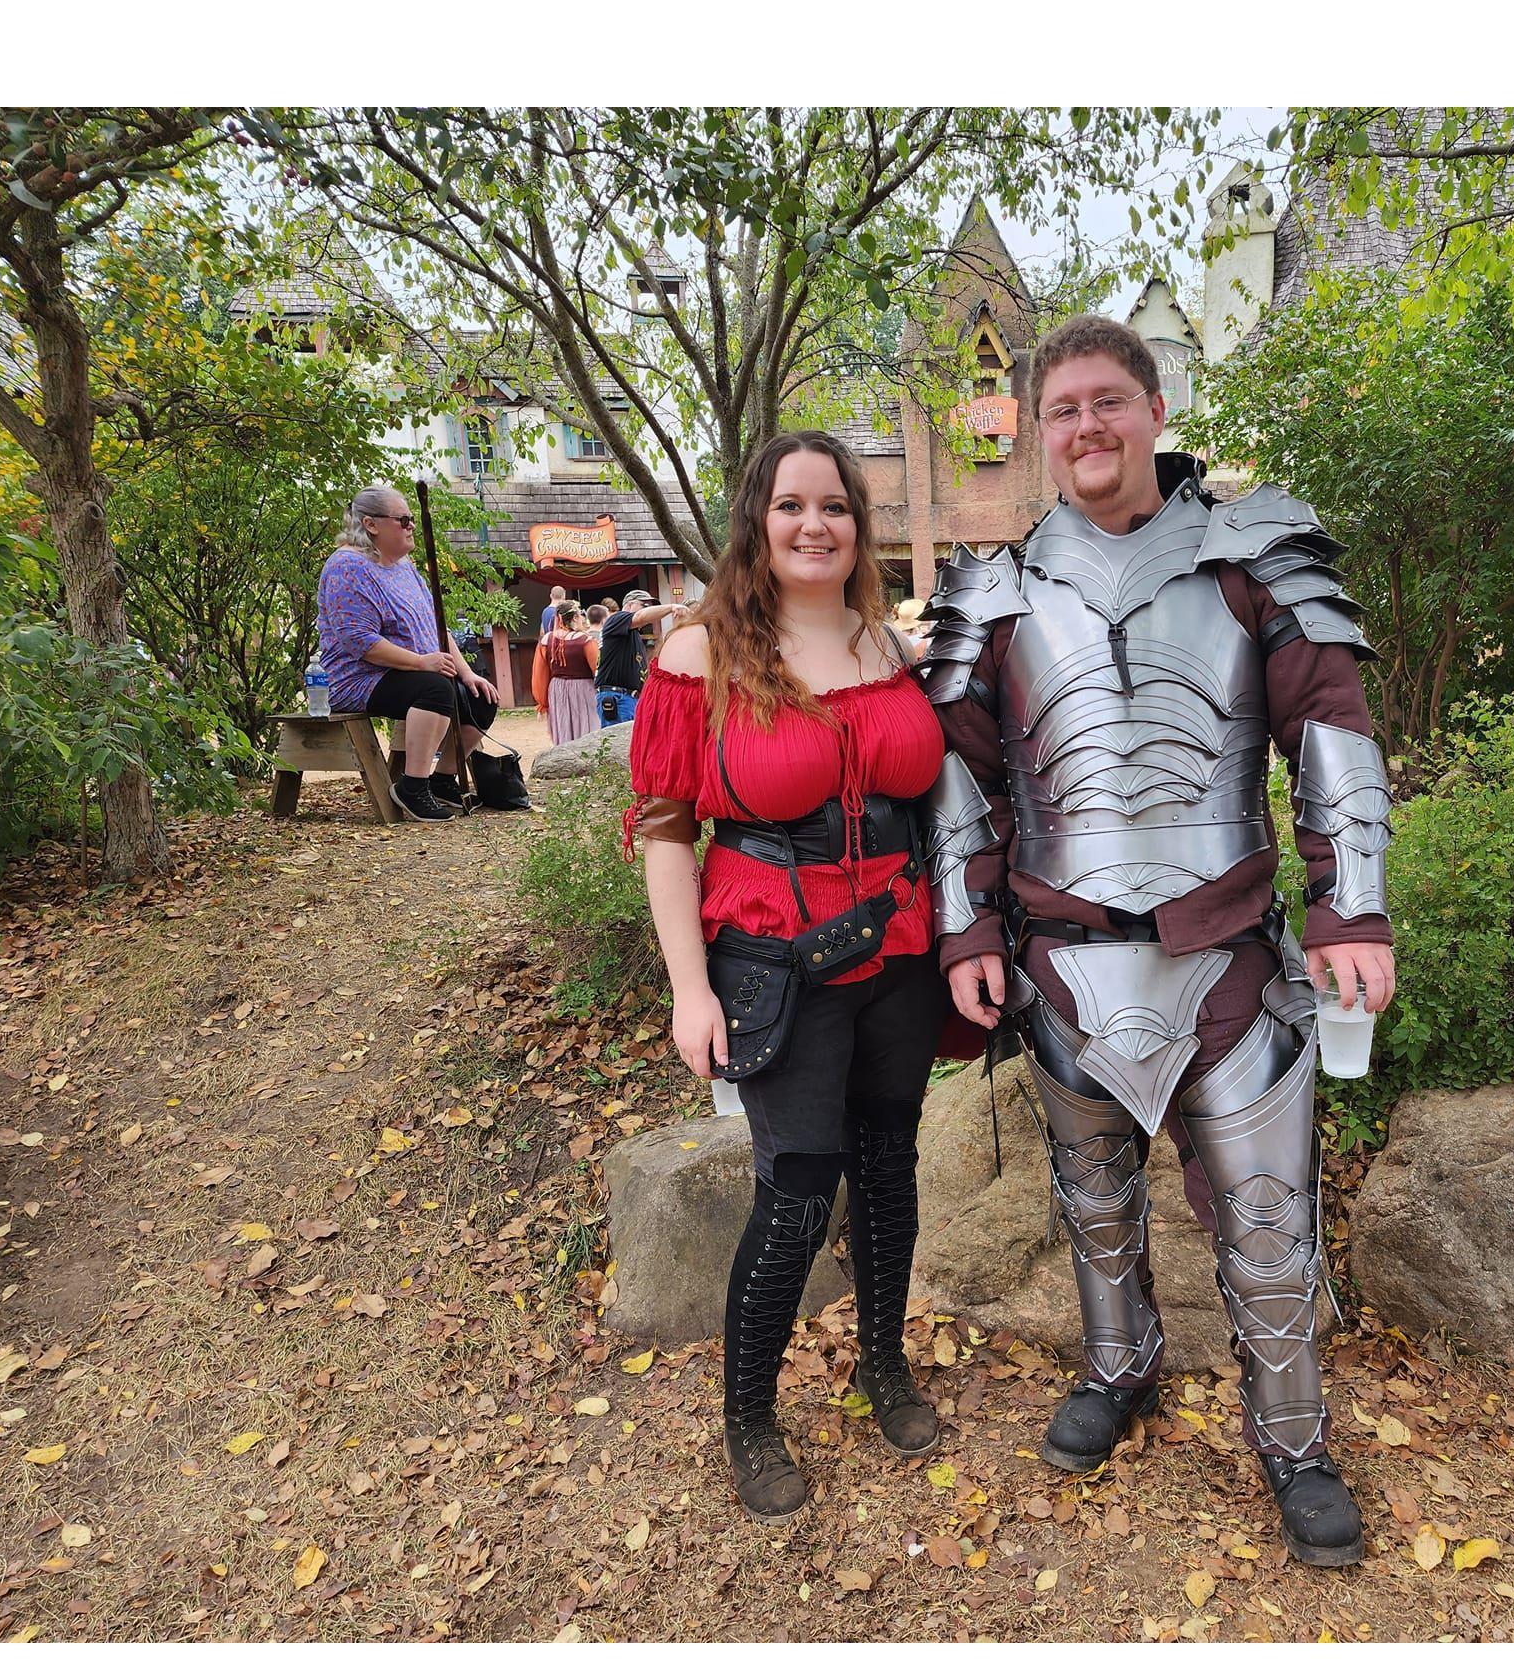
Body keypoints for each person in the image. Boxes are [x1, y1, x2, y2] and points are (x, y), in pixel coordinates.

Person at [923, 316, 1396, 1568]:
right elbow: (957, 773)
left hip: (1227, 951)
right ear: (1039, 432)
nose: (1086, 426)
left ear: (1152, 407)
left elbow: (1330, 729)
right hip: (1062, 956)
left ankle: (1292, 1438)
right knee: (1092, 1201)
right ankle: (1117, 1365)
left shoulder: (1255, 553)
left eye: (1106, 402)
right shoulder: (997, 585)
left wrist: (1349, 905)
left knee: (1264, 1214)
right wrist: (964, 923)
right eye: (1062, 408)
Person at [627, 429, 951, 1521]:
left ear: (859, 524)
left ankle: (883, 1366)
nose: (815, 524)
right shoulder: (697, 655)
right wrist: (688, 987)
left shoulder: (891, 648)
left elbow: (935, 806)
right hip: (775, 958)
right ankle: (748, 1415)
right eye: (791, 505)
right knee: (798, 1185)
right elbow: (667, 831)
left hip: (901, 950)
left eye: (835, 506)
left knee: (886, 1164)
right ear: (756, 521)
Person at [316, 485, 507, 822]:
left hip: (414, 673)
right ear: (372, 524)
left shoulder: (404, 566)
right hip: (360, 680)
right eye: (403, 520)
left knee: (481, 696)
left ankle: (443, 780)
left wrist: (466, 672)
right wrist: (422, 662)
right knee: (434, 688)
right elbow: (359, 641)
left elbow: (436, 625)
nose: (411, 526)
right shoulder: (346, 567)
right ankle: (412, 788)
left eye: (411, 519)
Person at [595, 591, 687, 727]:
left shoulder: (634, 634)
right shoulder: (618, 618)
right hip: (618, 698)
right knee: (620, 745)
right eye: (645, 606)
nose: (649, 612)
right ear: (630, 605)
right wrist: (671, 607)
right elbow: (639, 616)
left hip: (630, 699)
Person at [539, 602, 602, 744]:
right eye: (580, 616)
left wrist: (542, 702)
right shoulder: (586, 641)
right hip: (583, 688)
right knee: (586, 726)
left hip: (556, 688)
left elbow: (540, 673)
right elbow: (598, 670)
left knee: (563, 725)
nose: (582, 620)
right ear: (574, 618)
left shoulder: (547, 639)